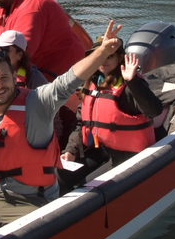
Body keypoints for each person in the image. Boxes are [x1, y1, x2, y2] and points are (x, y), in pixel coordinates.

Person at [0, 23, 123, 239]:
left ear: (14, 76)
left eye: (4, 78)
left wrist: (103, 51)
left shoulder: (37, 102)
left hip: (35, 201)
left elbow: (69, 80)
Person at [61, 35, 163, 190]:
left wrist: (132, 81)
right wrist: (71, 150)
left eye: (109, 56)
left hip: (128, 155)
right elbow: (81, 123)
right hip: (100, 150)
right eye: (101, 55)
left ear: (120, 57)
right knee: (61, 177)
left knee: (87, 187)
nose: (104, 60)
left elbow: (153, 110)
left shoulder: (129, 85)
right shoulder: (92, 83)